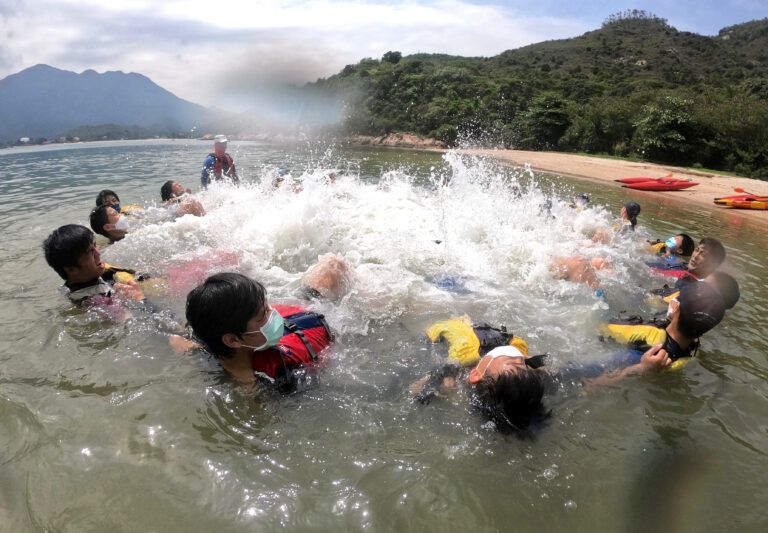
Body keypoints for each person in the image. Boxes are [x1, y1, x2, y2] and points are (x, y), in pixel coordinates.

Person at [410, 317, 675, 435]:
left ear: (477, 374)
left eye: (515, 365)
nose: (520, 360)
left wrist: (432, 386)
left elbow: (415, 390)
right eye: (522, 366)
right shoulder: (537, 378)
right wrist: (640, 369)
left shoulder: (458, 373)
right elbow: (592, 385)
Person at [184, 272, 337, 391]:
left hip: (306, 315)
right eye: (264, 314)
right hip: (305, 325)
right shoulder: (279, 377)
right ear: (233, 340)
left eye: (267, 307)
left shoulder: (204, 338)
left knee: (333, 267)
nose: (274, 313)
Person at [600, 281, 727, 369]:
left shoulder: (649, 338)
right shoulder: (693, 349)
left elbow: (602, 327)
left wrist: (640, 368)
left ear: (676, 308)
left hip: (610, 348)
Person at [42, 224, 146, 309]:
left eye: (95, 245)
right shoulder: (95, 302)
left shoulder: (89, 278)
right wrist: (140, 299)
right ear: (71, 269)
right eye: (90, 252)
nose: (98, 253)